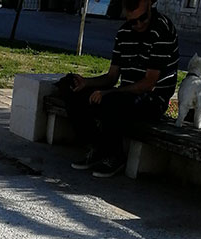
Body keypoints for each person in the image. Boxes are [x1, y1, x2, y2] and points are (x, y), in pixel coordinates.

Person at [57, 0, 178, 178]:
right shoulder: (123, 33)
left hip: (151, 100)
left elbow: (149, 83)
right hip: (125, 94)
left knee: (111, 101)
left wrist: (109, 93)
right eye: (132, 21)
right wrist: (86, 83)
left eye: (142, 18)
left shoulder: (162, 29)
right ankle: (96, 147)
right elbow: (111, 77)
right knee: (70, 88)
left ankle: (115, 156)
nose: (138, 24)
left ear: (149, 5)